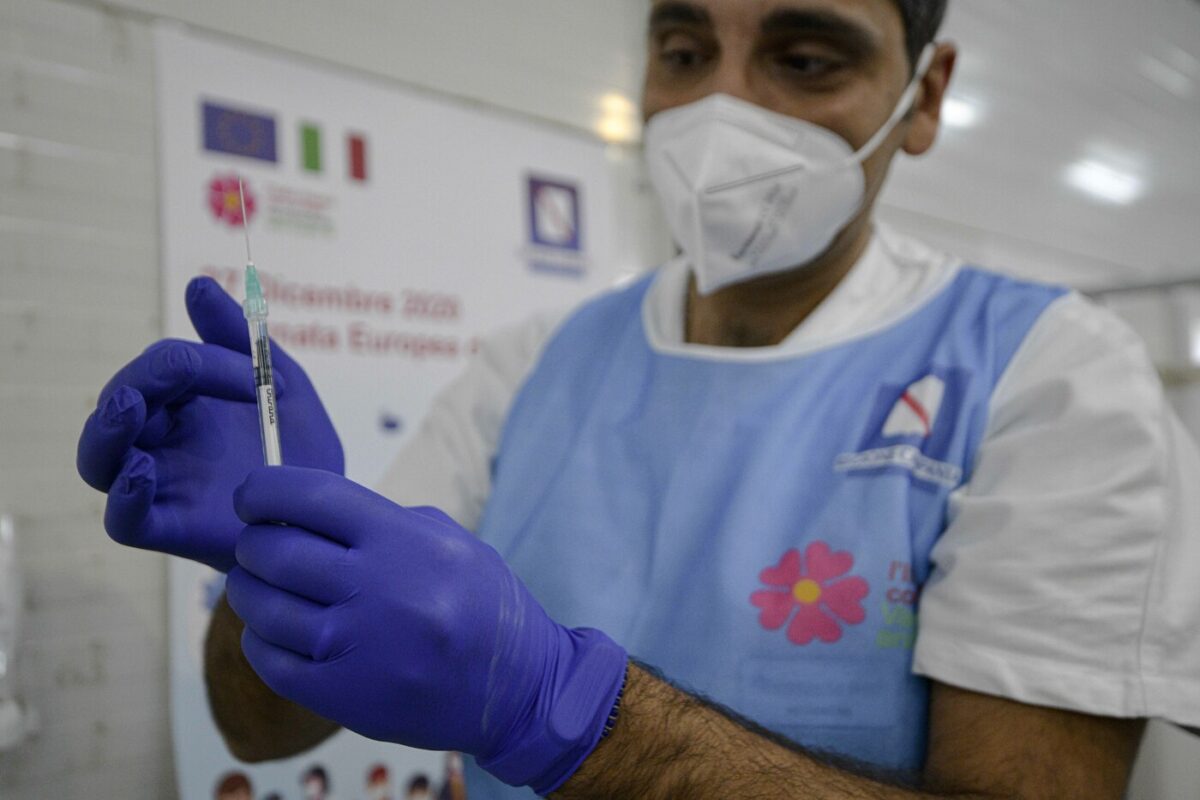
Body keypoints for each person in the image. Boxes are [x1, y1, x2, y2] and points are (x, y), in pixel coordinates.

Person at [76, 1, 1200, 798]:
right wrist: (268, 549)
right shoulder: (532, 365)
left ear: (925, 94)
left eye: (806, 59)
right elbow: (264, 728)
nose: (722, 110)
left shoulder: (1048, 378)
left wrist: (562, 711)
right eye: (684, 49)